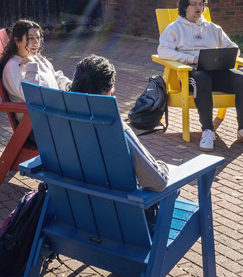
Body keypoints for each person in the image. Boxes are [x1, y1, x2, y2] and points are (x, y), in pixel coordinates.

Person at [156, 0, 243, 152]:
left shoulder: (212, 28)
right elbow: (163, 51)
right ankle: (207, 130)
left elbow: (233, 47)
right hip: (190, 73)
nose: (198, 8)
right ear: (185, 6)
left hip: (217, 71)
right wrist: (192, 59)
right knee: (202, 79)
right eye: (194, 4)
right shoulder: (174, 28)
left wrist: (226, 55)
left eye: (201, 4)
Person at [68, 54, 169, 192]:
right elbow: (157, 181)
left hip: (68, 200)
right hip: (116, 203)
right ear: (110, 90)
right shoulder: (115, 127)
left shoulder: (59, 120)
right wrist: (163, 166)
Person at [0, 19, 72, 103]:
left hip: (57, 103)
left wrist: (69, 85)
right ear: (17, 41)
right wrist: (30, 65)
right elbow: (33, 96)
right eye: (31, 38)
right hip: (43, 110)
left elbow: (55, 76)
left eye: (38, 38)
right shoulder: (12, 67)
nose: (36, 43)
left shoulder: (36, 57)